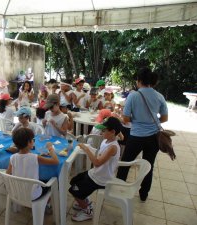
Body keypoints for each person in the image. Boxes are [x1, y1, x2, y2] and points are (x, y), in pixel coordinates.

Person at [116, 67, 168, 202]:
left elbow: (125, 119)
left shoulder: (133, 95)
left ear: (139, 81)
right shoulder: (159, 96)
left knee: (126, 163)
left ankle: (118, 189)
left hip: (136, 137)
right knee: (148, 166)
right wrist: (151, 121)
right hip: (153, 138)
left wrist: (137, 120)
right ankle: (144, 194)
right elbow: (164, 118)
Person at [69, 117, 122, 221]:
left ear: (112, 132)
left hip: (101, 179)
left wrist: (86, 149)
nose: (101, 132)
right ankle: (85, 201)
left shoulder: (113, 147)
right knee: (73, 181)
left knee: (73, 191)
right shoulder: (106, 140)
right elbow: (99, 155)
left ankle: (88, 211)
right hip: (95, 173)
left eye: (104, 130)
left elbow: (97, 163)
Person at [6, 128, 59, 200]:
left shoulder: (12, 157)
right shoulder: (35, 157)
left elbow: (8, 174)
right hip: (33, 195)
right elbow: (56, 161)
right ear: (29, 143)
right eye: (33, 140)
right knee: (51, 182)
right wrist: (50, 148)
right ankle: (46, 203)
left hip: (17, 192)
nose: (34, 142)